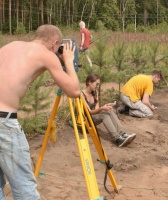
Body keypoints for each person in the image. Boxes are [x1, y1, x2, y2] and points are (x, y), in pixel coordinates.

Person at [0, 25, 80, 199]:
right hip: (3, 122)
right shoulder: (45, 54)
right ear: (55, 43)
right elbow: (74, 91)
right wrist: (68, 60)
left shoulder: (10, 46)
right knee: (24, 187)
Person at [81, 73, 136, 147]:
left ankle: (123, 134)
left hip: (91, 118)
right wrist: (102, 108)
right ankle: (117, 139)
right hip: (84, 120)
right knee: (104, 116)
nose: (97, 86)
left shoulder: (95, 93)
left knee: (109, 110)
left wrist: (105, 106)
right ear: (89, 82)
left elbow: (97, 110)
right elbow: (89, 112)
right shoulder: (81, 94)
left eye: (99, 85)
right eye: (96, 84)